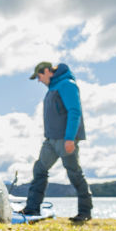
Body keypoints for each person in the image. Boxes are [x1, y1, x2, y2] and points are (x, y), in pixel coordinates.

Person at [22, 61, 93, 222]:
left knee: (74, 173)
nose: (39, 80)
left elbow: (74, 112)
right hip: (51, 141)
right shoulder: (53, 88)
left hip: (65, 139)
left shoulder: (67, 84)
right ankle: (32, 208)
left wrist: (69, 138)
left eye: (39, 76)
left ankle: (85, 212)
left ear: (47, 71)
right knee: (39, 169)